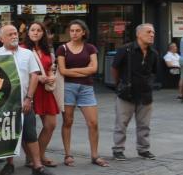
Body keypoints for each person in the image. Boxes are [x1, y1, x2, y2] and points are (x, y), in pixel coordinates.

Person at [0, 25, 55, 175]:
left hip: (24, 102)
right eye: (10, 34)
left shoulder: (27, 53)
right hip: (4, 104)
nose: (14, 36)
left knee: (30, 133)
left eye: (15, 33)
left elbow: (34, 76)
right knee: (8, 135)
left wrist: (29, 98)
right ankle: (9, 163)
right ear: (2, 39)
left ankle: (37, 166)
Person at [57, 20, 105, 167]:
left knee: (93, 123)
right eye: (72, 30)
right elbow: (62, 71)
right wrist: (84, 70)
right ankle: (68, 154)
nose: (74, 33)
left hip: (86, 88)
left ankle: (95, 155)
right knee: (68, 121)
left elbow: (94, 69)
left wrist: (73, 72)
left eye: (78, 30)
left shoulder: (90, 48)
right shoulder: (62, 49)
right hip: (68, 87)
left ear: (84, 32)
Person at [111, 24, 159, 161]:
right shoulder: (125, 50)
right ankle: (118, 150)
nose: (152, 35)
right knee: (121, 123)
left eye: (153, 33)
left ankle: (143, 150)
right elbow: (114, 68)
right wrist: (119, 84)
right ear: (139, 34)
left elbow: (154, 72)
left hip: (145, 94)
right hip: (126, 94)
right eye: (149, 32)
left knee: (144, 125)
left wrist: (148, 84)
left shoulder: (154, 53)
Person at [21, 22, 64, 168]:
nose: (35, 32)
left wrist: (51, 75)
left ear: (43, 33)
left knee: (50, 125)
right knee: (28, 128)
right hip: (30, 91)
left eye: (39, 30)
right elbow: (21, 70)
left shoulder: (46, 49)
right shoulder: (22, 48)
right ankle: (33, 158)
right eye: (32, 30)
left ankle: (39, 155)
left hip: (45, 91)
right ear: (28, 32)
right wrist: (38, 78)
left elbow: (49, 67)